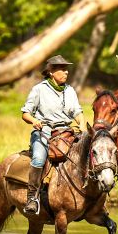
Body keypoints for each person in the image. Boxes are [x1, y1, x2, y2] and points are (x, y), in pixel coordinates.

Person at [21, 55, 85, 214]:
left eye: (66, 69)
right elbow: (25, 113)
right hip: (44, 131)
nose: (66, 72)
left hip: (65, 131)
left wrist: (82, 125)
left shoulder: (70, 90)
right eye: (62, 69)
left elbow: (77, 112)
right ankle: (32, 198)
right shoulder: (39, 89)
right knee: (39, 158)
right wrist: (34, 121)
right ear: (50, 72)